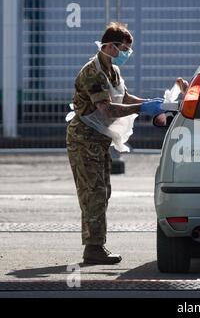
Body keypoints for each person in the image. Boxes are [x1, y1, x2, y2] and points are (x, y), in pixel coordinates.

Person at [66, 22, 186, 264]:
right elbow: (107, 108)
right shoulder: (93, 73)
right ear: (110, 46)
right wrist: (142, 108)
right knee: (94, 193)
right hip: (83, 140)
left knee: (103, 191)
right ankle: (93, 248)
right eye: (124, 49)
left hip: (97, 141)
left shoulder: (111, 69)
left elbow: (123, 97)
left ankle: (95, 245)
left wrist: (156, 104)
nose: (126, 54)